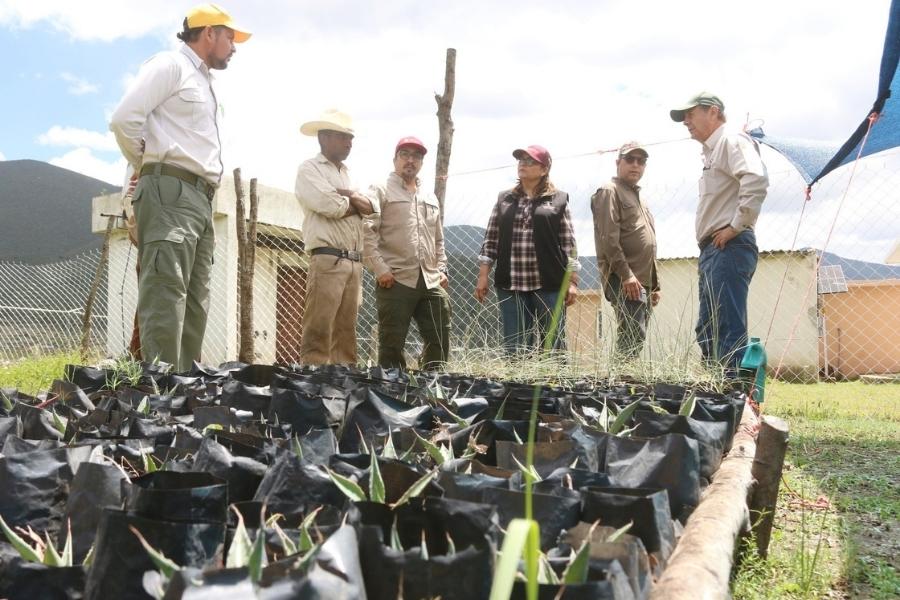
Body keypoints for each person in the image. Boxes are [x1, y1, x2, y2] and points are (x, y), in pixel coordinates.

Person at [109, 3, 251, 372]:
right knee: (165, 292)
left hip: (199, 198)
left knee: (195, 298)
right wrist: (148, 166)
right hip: (169, 189)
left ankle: (185, 390)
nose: (234, 47)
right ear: (209, 33)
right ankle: (160, 393)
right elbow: (124, 119)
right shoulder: (170, 66)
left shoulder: (204, 82)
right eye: (230, 37)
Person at [670, 92, 768, 374]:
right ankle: (716, 397)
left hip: (730, 245)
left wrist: (735, 226)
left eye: (690, 114)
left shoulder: (731, 140)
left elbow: (756, 179)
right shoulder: (712, 151)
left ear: (713, 112)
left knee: (726, 327)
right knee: (708, 327)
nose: (686, 121)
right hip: (714, 249)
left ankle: (735, 400)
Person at [474, 145, 580, 354]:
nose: (523, 164)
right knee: (516, 348)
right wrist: (483, 275)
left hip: (549, 284)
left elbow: (569, 244)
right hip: (511, 284)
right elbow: (491, 239)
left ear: (544, 169)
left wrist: (573, 282)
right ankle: (516, 387)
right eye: (521, 160)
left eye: (530, 161)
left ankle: (553, 385)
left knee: (553, 347)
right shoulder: (504, 199)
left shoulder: (558, 200)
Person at [295, 109, 376, 365]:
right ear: (324, 138)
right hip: (328, 258)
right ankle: (312, 382)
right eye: (343, 137)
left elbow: (372, 208)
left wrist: (347, 195)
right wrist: (354, 201)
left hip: (354, 262)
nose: (349, 143)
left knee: (346, 331)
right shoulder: (309, 169)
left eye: (350, 137)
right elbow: (331, 206)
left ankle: (344, 384)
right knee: (320, 327)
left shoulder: (349, 175)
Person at [363, 137, 451, 371]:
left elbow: (438, 238)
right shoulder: (380, 189)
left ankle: (433, 388)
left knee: (440, 336)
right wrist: (380, 269)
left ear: (422, 162)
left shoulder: (429, 196)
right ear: (395, 159)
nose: (410, 160)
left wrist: (442, 269)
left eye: (417, 156)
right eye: (405, 154)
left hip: (431, 279)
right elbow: (366, 232)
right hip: (396, 278)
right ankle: (391, 393)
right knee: (392, 344)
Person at [591, 141, 660, 360]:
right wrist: (627, 275)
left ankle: (623, 383)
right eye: (630, 160)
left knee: (636, 336)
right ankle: (620, 386)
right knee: (631, 335)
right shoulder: (609, 191)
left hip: (642, 280)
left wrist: (655, 284)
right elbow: (608, 239)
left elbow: (649, 243)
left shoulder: (638, 197)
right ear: (618, 162)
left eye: (641, 161)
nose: (635, 165)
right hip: (624, 278)